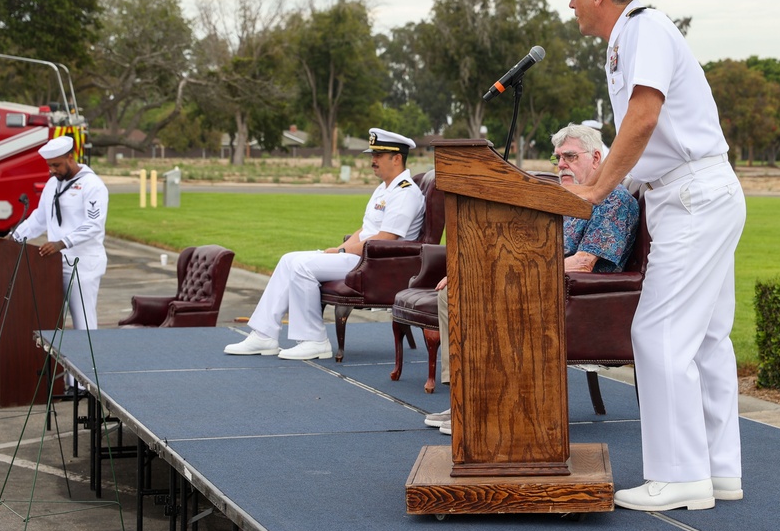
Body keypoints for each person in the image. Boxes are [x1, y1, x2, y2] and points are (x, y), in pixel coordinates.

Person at [558, 0, 747, 511]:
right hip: (693, 195)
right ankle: (718, 472)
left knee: (657, 336)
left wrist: (594, 191)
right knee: (708, 340)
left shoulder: (645, 29)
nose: (569, 6)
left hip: (692, 195)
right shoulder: (628, 39)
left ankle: (679, 475)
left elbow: (643, 117)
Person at [424, 123, 639, 433]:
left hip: (578, 302)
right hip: (542, 287)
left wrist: (504, 274)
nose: (562, 165)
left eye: (569, 157)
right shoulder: (567, 198)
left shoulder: (614, 202)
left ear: (595, 157)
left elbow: (584, 263)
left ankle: (478, 403)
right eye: (558, 159)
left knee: (475, 294)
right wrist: (477, 267)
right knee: (456, 291)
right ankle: (466, 396)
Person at [224, 128, 425, 360]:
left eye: (378, 155)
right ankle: (264, 335)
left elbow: (385, 239)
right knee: (289, 259)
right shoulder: (385, 188)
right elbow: (365, 229)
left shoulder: (405, 192)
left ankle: (314, 340)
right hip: (363, 257)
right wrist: (341, 249)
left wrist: (342, 251)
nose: (372, 160)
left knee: (302, 267)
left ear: (397, 158)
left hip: (379, 264)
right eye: (373, 155)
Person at [12, 135, 109, 334]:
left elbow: (94, 224)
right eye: (49, 166)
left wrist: (62, 243)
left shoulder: (93, 185)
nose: (52, 170)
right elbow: (40, 218)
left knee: (84, 323)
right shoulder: (52, 184)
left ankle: (90, 364)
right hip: (54, 264)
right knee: (50, 319)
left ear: (70, 158)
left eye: (56, 165)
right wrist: (13, 237)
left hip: (83, 265)